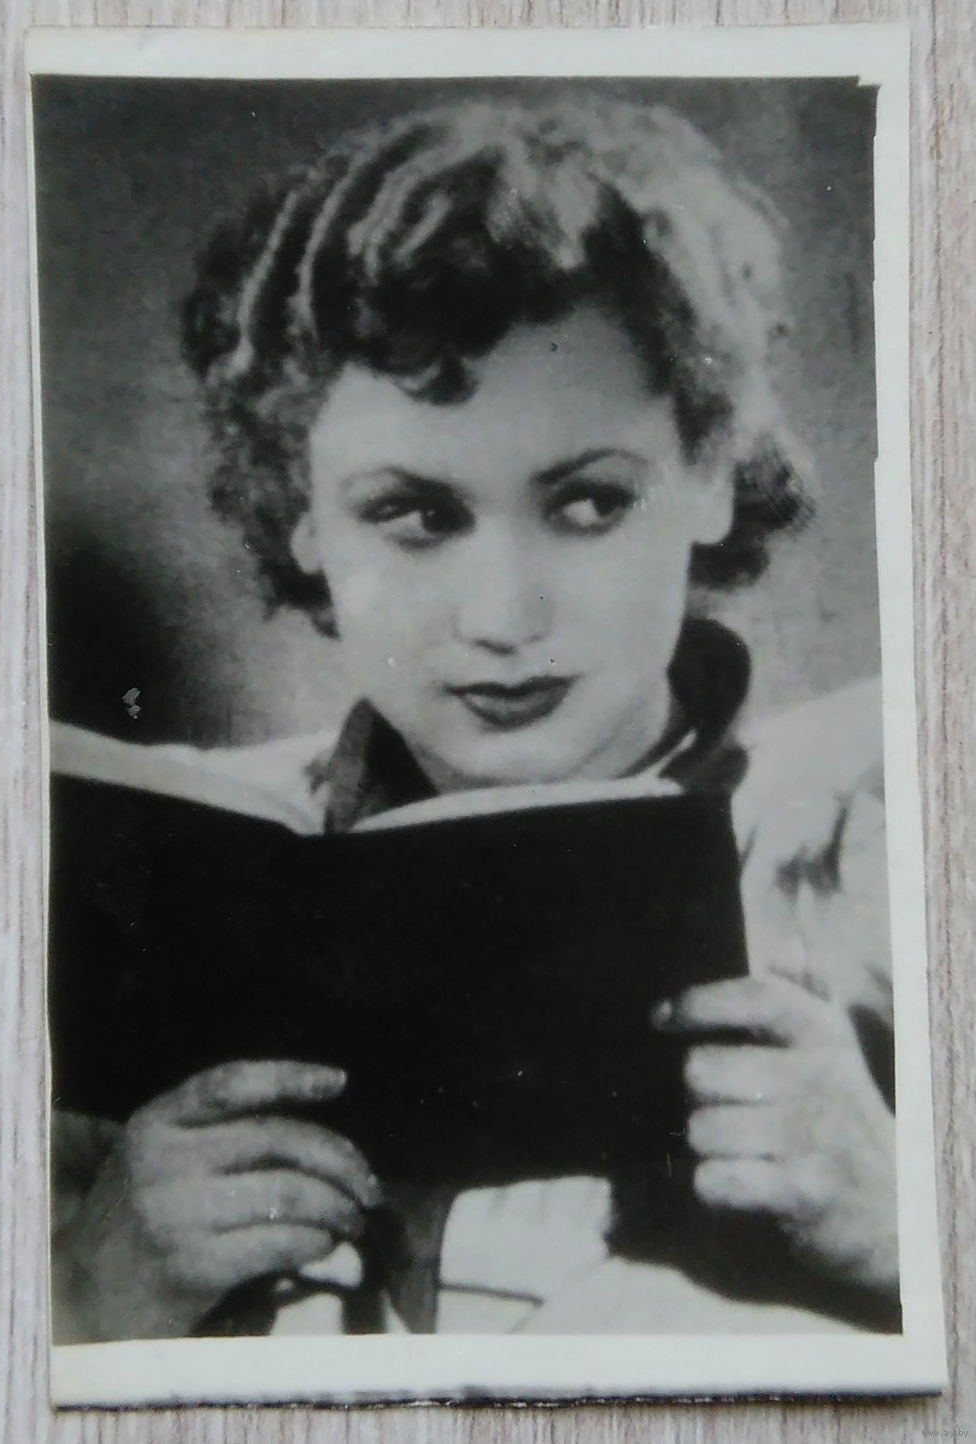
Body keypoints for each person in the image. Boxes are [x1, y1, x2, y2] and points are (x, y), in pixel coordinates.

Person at [49, 95, 898, 1343]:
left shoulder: (886, 850)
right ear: (302, 514)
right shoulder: (134, 877)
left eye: (589, 503)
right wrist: (82, 1297)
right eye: (415, 514)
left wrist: (906, 1228)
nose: (503, 617)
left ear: (712, 472)